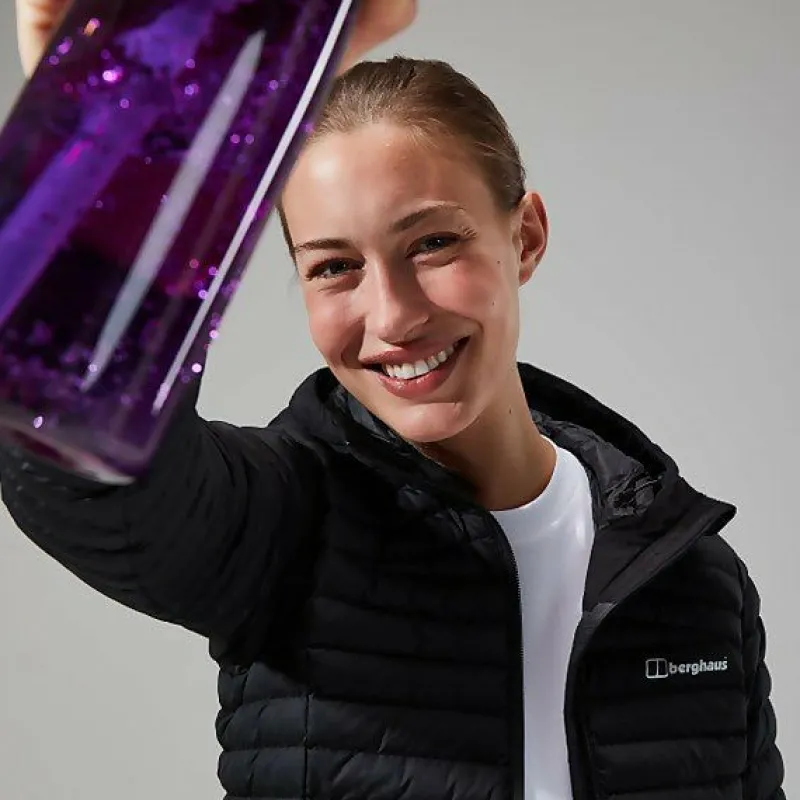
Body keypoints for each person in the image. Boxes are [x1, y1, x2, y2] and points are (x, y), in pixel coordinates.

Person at [2, 3, 786, 800]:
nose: (394, 316)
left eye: (433, 243)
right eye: (334, 267)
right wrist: (104, 150)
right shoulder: (284, 521)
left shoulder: (693, 577)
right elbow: (82, 472)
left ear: (525, 236)